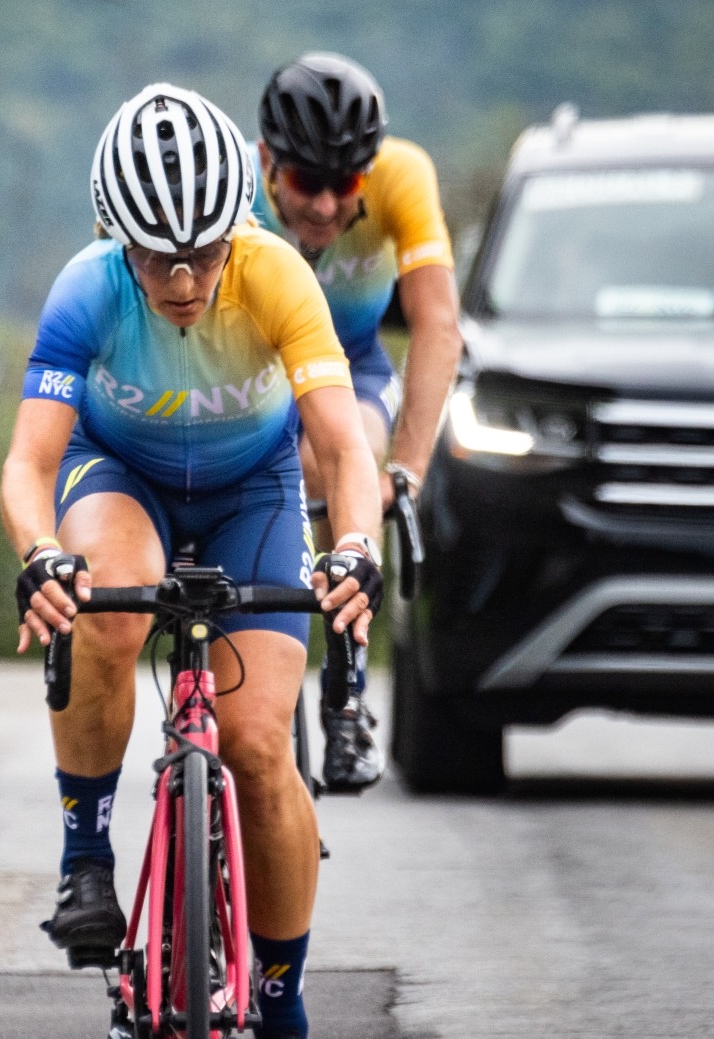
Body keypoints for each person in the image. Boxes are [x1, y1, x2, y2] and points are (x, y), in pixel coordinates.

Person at [1, 83, 383, 1039]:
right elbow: (31, 462)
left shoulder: (277, 276)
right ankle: (86, 855)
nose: (180, 279)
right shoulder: (86, 291)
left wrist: (353, 545)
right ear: (114, 236)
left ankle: (288, 1030)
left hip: (250, 494)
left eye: (203, 252)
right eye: (155, 255)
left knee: (262, 745)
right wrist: (42, 557)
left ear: (238, 230)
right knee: (105, 611)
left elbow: (342, 444)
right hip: (119, 478)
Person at [252, 52, 464, 791]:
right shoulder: (231, 190)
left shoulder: (402, 174)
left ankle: (345, 695)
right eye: (307, 182)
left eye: (345, 186)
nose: (324, 208)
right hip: (248, 378)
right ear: (266, 161)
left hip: (350, 366)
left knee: (348, 460)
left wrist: (405, 469)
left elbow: (438, 327)